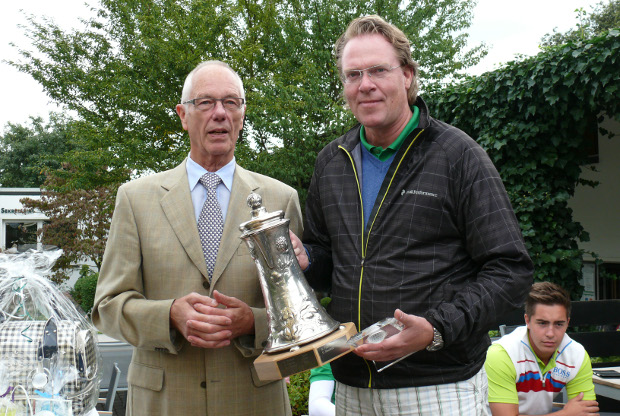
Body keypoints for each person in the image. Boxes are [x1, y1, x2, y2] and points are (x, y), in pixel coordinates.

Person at [289, 15, 533, 415]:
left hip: (437, 387)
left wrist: (436, 329)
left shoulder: (458, 155)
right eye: (353, 75)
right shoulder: (332, 162)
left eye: (378, 70)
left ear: (406, 75)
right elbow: (327, 258)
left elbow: (510, 269)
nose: (365, 84)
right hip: (351, 386)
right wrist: (307, 260)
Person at [93, 60, 302, 416]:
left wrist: (253, 323)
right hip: (163, 403)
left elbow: (301, 312)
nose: (219, 113)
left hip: (253, 401)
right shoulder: (135, 199)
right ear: (183, 115)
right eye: (205, 103)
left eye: (231, 102)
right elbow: (107, 308)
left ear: (242, 114)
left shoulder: (280, 199)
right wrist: (169, 315)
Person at [485, 282, 599, 415]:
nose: (550, 333)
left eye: (558, 324)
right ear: (527, 321)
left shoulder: (576, 355)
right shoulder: (503, 353)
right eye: (542, 323)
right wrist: (565, 414)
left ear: (567, 323)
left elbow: (586, 413)